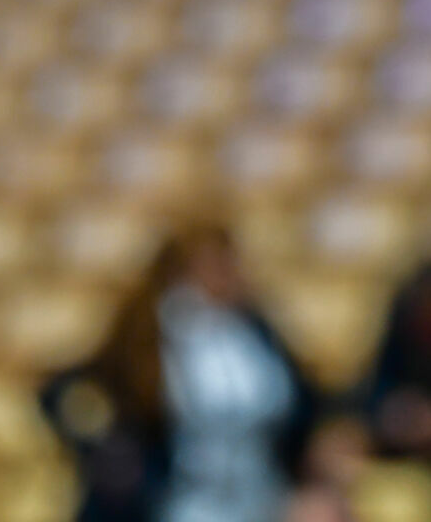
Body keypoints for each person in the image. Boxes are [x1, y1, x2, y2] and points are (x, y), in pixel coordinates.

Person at [40, 217, 315, 522]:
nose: (223, 276)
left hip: (263, 493)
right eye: (210, 266)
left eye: (227, 264)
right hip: (177, 500)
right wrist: (113, 453)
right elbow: (74, 390)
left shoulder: (255, 329)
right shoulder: (148, 333)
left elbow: (302, 405)